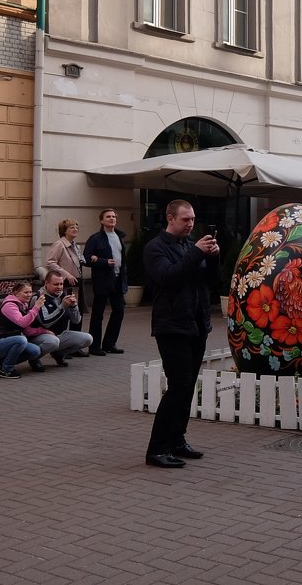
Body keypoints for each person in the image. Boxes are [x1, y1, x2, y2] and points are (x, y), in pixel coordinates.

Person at [142, 199, 220, 469]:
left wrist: (212, 257)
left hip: (196, 324)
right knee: (178, 386)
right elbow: (169, 278)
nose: (190, 224)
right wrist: (197, 253)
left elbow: (210, 282)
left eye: (193, 219)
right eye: (185, 219)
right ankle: (157, 448)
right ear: (170, 218)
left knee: (187, 387)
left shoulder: (190, 246)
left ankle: (177, 440)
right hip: (172, 326)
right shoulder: (155, 248)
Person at [84, 208, 128, 355]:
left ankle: (110, 343)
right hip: (102, 281)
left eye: (114, 216)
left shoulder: (120, 236)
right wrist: (103, 262)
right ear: (102, 220)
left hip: (117, 280)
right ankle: (94, 346)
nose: (112, 219)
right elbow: (87, 258)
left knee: (119, 312)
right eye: (108, 217)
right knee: (98, 314)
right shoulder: (95, 238)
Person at [28, 271, 93, 365]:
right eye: (56, 284)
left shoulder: (64, 295)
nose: (59, 287)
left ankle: (58, 353)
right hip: (39, 336)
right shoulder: (38, 297)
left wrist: (74, 307)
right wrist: (62, 307)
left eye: (61, 284)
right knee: (53, 342)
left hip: (59, 334)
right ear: (47, 283)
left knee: (88, 339)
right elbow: (46, 322)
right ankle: (34, 358)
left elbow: (76, 321)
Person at [0, 282, 44, 379]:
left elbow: (27, 329)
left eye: (30, 292)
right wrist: (36, 308)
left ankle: (4, 362)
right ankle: (6, 370)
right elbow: (22, 323)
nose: (29, 295)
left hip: (9, 341)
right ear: (16, 293)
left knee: (35, 351)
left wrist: (44, 331)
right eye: (25, 292)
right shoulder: (10, 306)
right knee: (21, 340)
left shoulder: (23, 305)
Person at [46, 217, 89, 313]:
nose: (75, 229)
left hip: (77, 282)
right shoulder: (60, 244)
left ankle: (76, 328)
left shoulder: (75, 245)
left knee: (78, 313)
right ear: (64, 231)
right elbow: (50, 262)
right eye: (72, 227)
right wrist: (66, 274)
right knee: (69, 313)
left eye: (77, 227)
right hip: (66, 284)